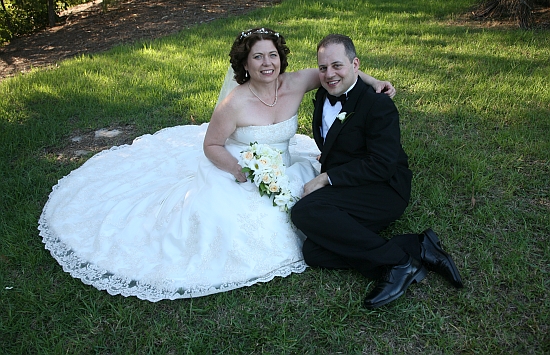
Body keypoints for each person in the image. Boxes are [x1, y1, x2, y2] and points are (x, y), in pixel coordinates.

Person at [38, 28, 395, 302]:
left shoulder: (298, 81)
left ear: (281, 59)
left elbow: (337, 72)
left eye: (272, 55)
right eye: (258, 57)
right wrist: (240, 171)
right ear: (244, 63)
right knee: (231, 219)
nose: (267, 63)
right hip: (240, 166)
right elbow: (211, 144)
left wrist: (375, 80)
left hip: (288, 163)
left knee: (303, 208)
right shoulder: (234, 103)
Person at [290, 34, 463, 309]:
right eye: (323, 68)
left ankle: (399, 264)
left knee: (304, 211)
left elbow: (382, 164)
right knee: (313, 252)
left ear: (355, 64)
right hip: (351, 186)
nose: (329, 74)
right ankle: (415, 247)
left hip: (384, 188)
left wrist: (327, 177)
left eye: (338, 66)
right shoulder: (323, 94)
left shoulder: (377, 104)